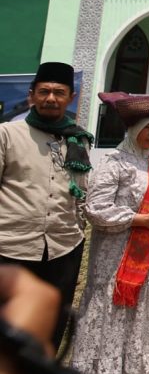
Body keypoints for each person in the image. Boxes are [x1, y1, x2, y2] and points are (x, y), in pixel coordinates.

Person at [65, 93, 149, 374]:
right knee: (108, 318)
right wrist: (137, 219)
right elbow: (95, 208)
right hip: (116, 253)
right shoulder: (114, 162)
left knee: (142, 318)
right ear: (134, 127)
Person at [0, 62, 91, 349]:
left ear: (71, 98)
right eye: (44, 92)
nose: (51, 98)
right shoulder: (7, 134)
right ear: (31, 96)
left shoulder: (77, 139)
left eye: (59, 92)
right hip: (11, 245)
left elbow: (80, 192)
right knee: (9, 324)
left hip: (64, 246)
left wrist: (77, 228)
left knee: (52, 325)